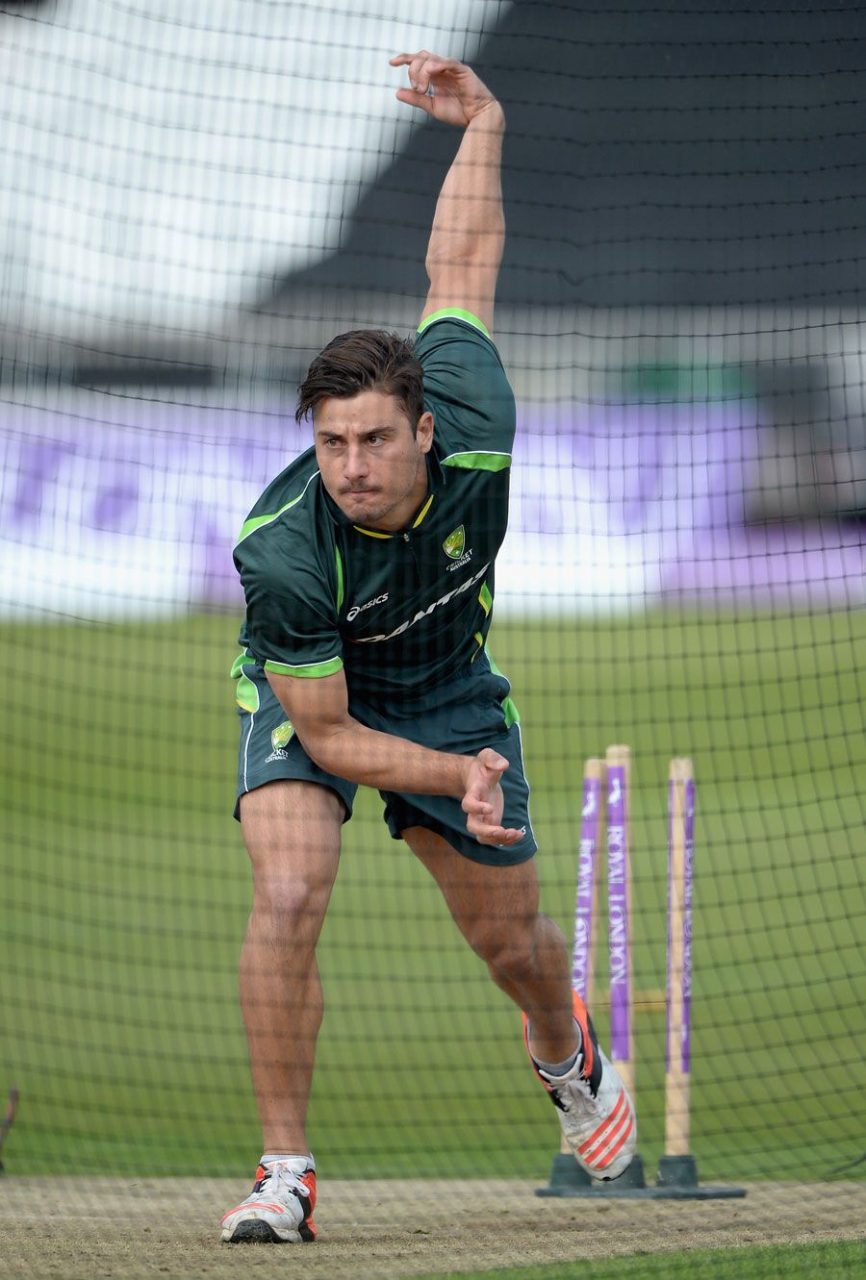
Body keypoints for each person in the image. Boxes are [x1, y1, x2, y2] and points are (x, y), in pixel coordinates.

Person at [221, 51, 636, 1246]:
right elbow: (330, 734)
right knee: (291, 887)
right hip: (320, 697)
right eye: (330, 441)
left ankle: (563, 1056)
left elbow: (457, 263)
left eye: (369, 439)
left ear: (423, 424)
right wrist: (456, 777)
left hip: (449, 685)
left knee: (512, 945)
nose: (348, 466)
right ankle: (284, 1172)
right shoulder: (286, 552)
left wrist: (484, 120)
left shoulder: (478, 420)